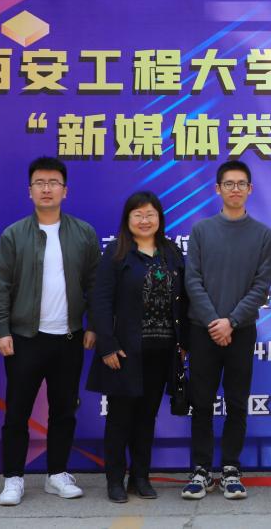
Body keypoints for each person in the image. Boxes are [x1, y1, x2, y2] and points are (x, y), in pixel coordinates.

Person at [0, 156, 101, 506]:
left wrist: (93, 326)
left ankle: (57, 474)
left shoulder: (83, 233)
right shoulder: (14, 234)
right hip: (25, 338)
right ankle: (13, 478)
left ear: (65, 191)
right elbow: (1, 285)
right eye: (40, 183)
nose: (47, 189)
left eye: (54, 183)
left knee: (64, 410)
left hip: (69, 338)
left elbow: (95, 285)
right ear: (30, 191)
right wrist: (2, 329)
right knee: (17, 411)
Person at [86, 191, 187, 503]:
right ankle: (115, 480)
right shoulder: (117, 253)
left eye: (150, 214)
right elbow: (100, 300)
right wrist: (107, 346)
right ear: (128, 219)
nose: (145, 220)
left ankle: (140, 477)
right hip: (125, 351)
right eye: (138, 215)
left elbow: (184, 299)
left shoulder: (171, 252)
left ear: (159, 218)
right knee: (120, 418)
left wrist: (184, 342)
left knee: (146, 417)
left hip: (162, 350)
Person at [182, 161, 271, 501]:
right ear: (217, 189)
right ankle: (201, 470)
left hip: (241, 331)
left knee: (236, 402)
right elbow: (192, 280)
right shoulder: (201, 230)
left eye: (241, 184)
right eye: (229, 184)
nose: (235, 189)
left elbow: (261, 286)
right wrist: (214, 322)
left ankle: (231, 469)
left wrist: (231, 321)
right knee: (202, 402)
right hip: (202, 330)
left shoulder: (262, 234)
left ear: (250, 189)